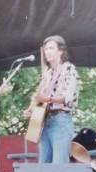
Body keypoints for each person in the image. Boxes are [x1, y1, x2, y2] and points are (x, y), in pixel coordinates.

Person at [24, 35, 77, 164]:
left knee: (59, 167)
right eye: (46, 49)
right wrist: (31, 110)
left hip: (61, 121)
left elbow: (67, 97)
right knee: (44, 166)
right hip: (45, 121)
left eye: (51, 48)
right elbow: (39, 99)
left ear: (61, 51)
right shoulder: (47, 73)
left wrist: (47, 99)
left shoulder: (69, 68)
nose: (47, 51)